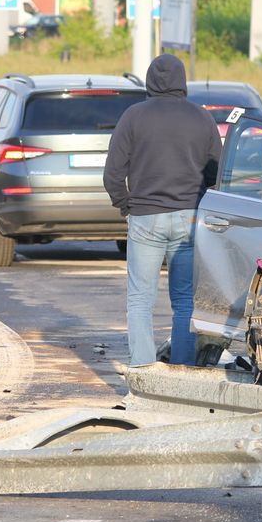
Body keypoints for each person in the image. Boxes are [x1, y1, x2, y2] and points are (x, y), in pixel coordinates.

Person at [104, 54, 222, 367]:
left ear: (150, 80)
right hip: (189, 218)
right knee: (184, 301)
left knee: (140, 300)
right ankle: (181, 370)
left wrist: (126, 204)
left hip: (144, 217)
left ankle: (143, 368)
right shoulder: (202, 118)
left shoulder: (134, 116)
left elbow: (113, 173)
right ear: (182, 80)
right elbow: (217, 172)